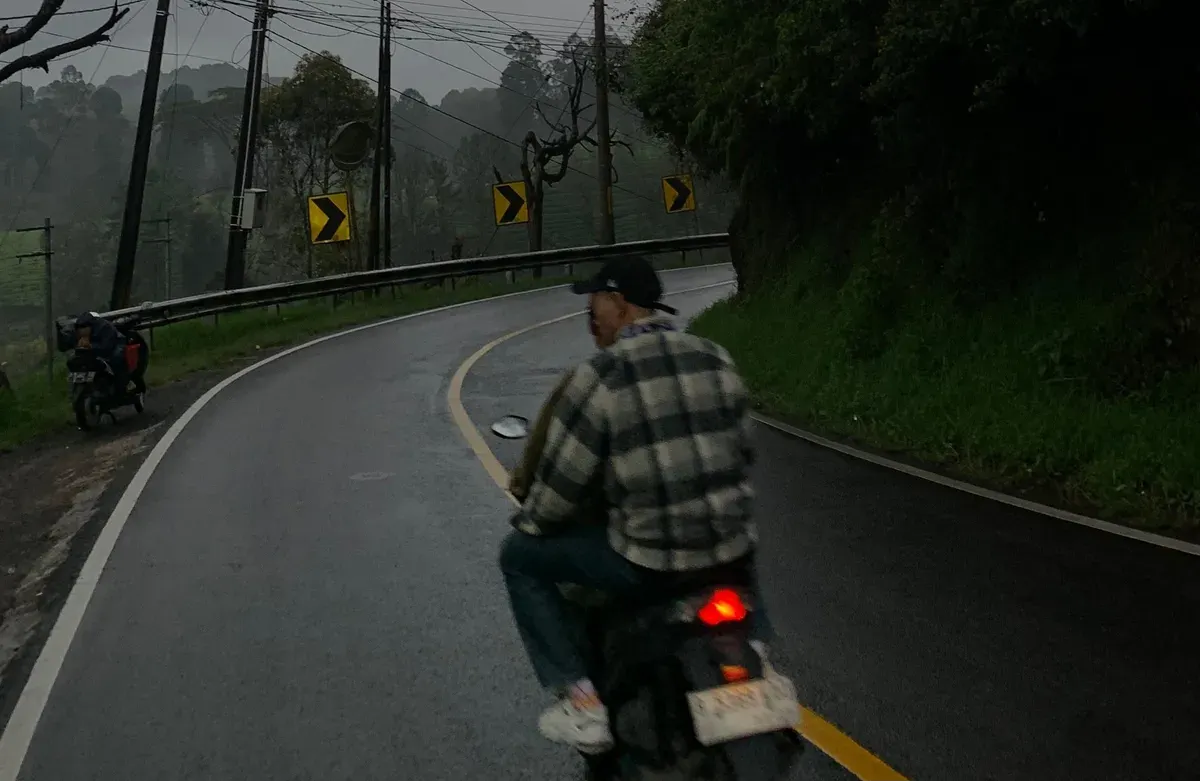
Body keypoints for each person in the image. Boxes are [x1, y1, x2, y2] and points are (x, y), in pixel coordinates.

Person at [498, 255, 768, 754]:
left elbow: (557, 494)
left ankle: (582, 703)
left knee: (517, 557)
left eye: (594, 302)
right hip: (730, 555)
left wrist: (530, 521)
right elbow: (742, 452)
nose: (590, 316)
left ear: (619, 304)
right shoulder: (715, 357)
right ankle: (756, 648)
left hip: (649, 564)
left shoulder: (600, 377)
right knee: (734, 534)